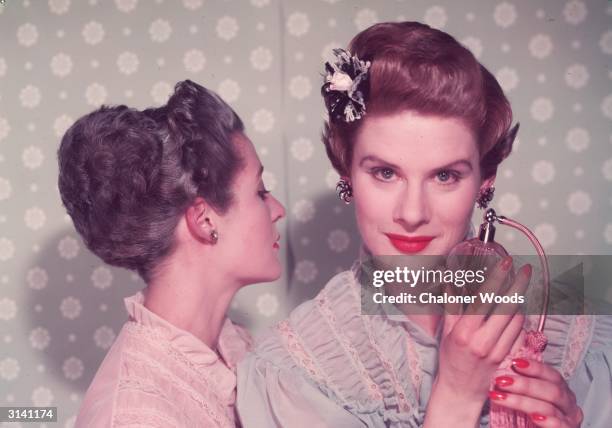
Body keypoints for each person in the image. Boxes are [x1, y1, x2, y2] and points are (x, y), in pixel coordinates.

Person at [236, 22, 610, 427]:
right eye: (384, 173)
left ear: (485, 181)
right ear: (346, 173)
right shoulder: (299, 369)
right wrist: (456, 396)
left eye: (445, 176)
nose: (412, 213)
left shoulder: (575, 334)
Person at [58, 80, 285, 427]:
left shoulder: (234, 343)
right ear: (204, 219)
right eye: (260, 191)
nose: (278, 209)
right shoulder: (134, 417)